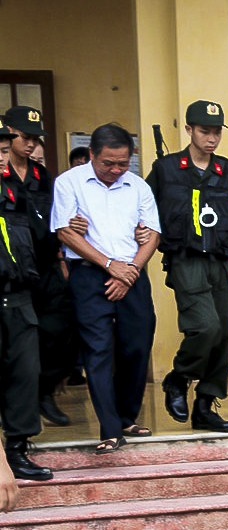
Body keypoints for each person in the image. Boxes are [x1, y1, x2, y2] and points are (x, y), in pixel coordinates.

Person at [51, 124, 160, 454]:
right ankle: (110, 429)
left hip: (132, 273)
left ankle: (127, 418)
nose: (115, 170)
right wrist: (109, 265)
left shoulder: (138, 186)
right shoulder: (69, 183)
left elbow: (153, 233)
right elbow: (66, 233)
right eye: (108, 164)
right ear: (92, 156)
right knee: (97, 351)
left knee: (137, 345)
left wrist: (130, 271)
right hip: (89, 275)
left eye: (122, 164)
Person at [149, 100, 228, 433]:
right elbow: (143, 207)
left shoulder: (227, 170)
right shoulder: (166, 169)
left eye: (216, 132)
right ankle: (178, 378)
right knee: (205, 327)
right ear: (189, 130)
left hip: (221, 262)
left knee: (223, 333)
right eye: (204, 131)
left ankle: (206, 404)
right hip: (186, 258)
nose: (211, 138)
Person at [2, 106, 78, 429]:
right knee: (20, 344)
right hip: (15, 271)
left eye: (35, 138)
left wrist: (62, 256)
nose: (31, 144)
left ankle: (45, 391)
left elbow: (55, 220)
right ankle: (21, 408)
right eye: (25, 137)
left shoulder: (41, 175)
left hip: (46, 265)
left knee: (64, 329)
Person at [0, 119, 52, 481]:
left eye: (4, 151)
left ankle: (17, 449)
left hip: (18, 295)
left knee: (25, 370)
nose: (3, 159)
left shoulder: (15, 189)